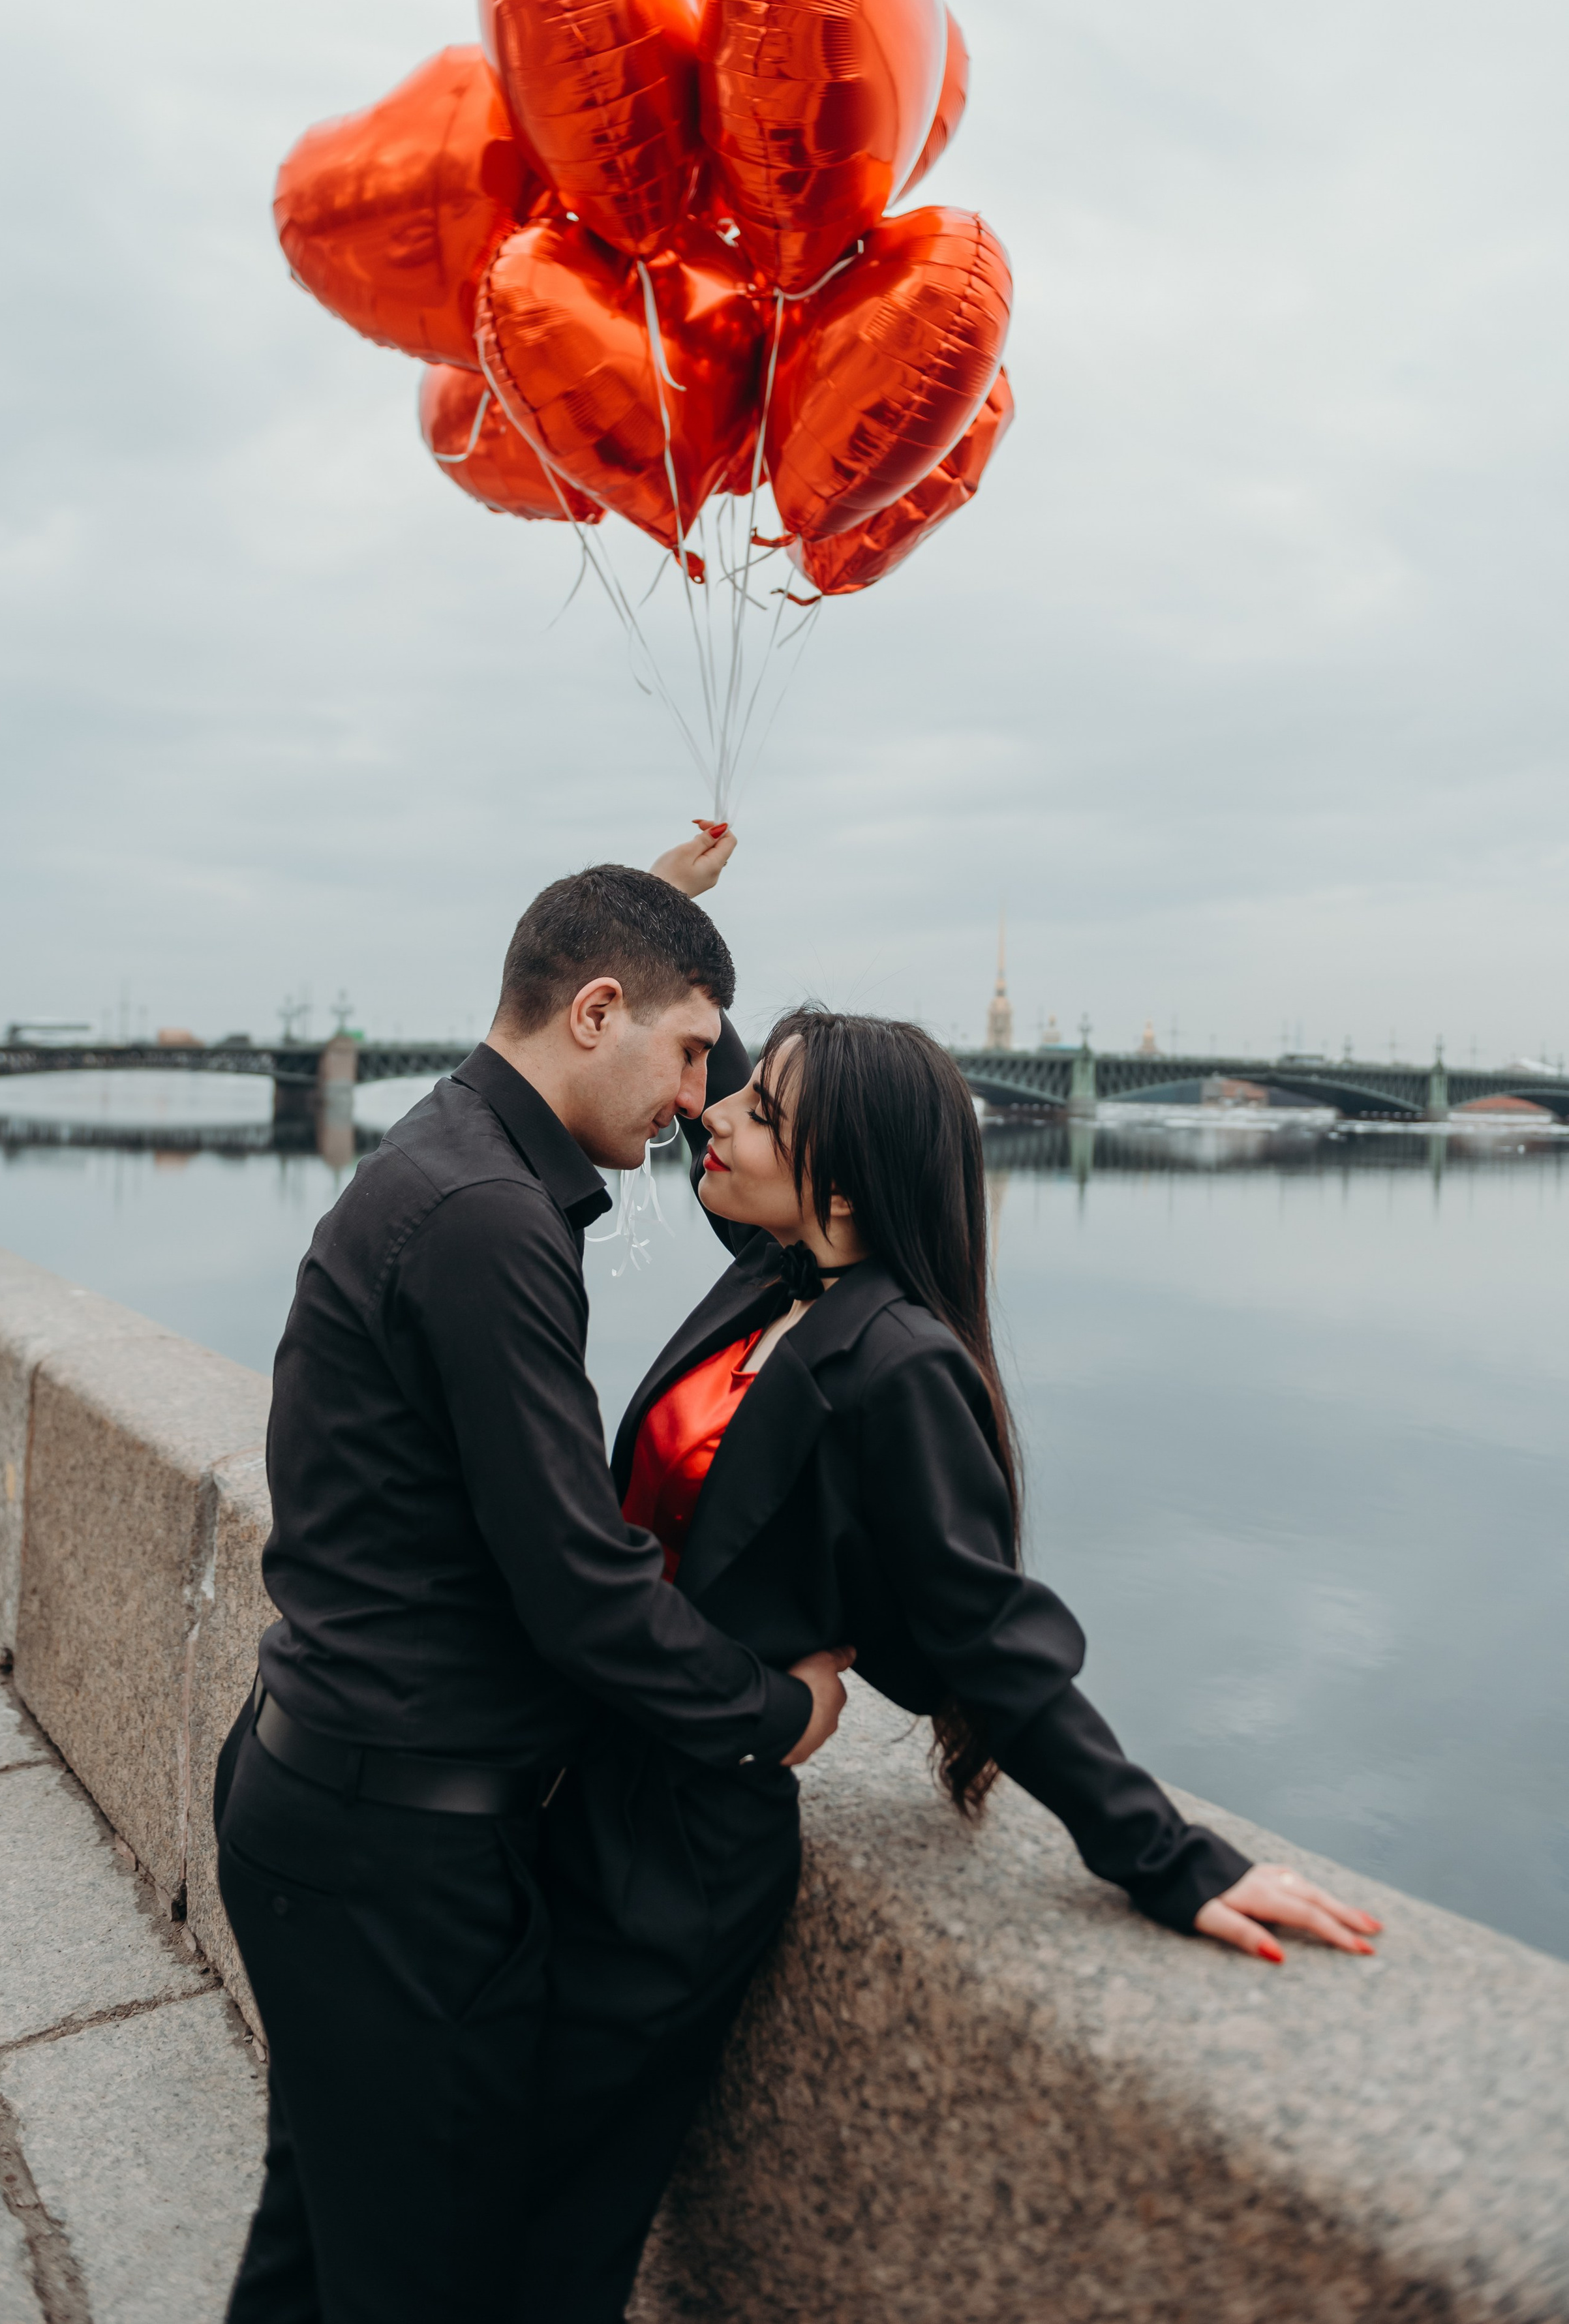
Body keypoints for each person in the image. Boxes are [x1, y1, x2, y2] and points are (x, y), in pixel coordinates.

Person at [517, 995, 1384, 2324]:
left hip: (683, 1852)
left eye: (758, 1113)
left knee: (561, 2217)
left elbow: (995, 1641)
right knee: (504, 2177)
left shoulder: (892, 1365)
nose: (714, 1112)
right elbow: (731, 1080)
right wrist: (676, 928)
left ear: (847, 1189)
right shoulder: (770, 1279)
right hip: (586, 1787)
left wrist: (1167, 1859)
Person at [212, 864, 852, 2324]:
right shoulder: (489, 1222)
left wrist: (639, 903)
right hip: (399, 1856)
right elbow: (579, 1581)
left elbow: (591, 977)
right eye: (694, 1052)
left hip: (325, 1798)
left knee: (317, 2252)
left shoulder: (450, 1150)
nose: (702, 1098)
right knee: (430, 2285)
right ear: (595, 1014)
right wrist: (771, 1709)